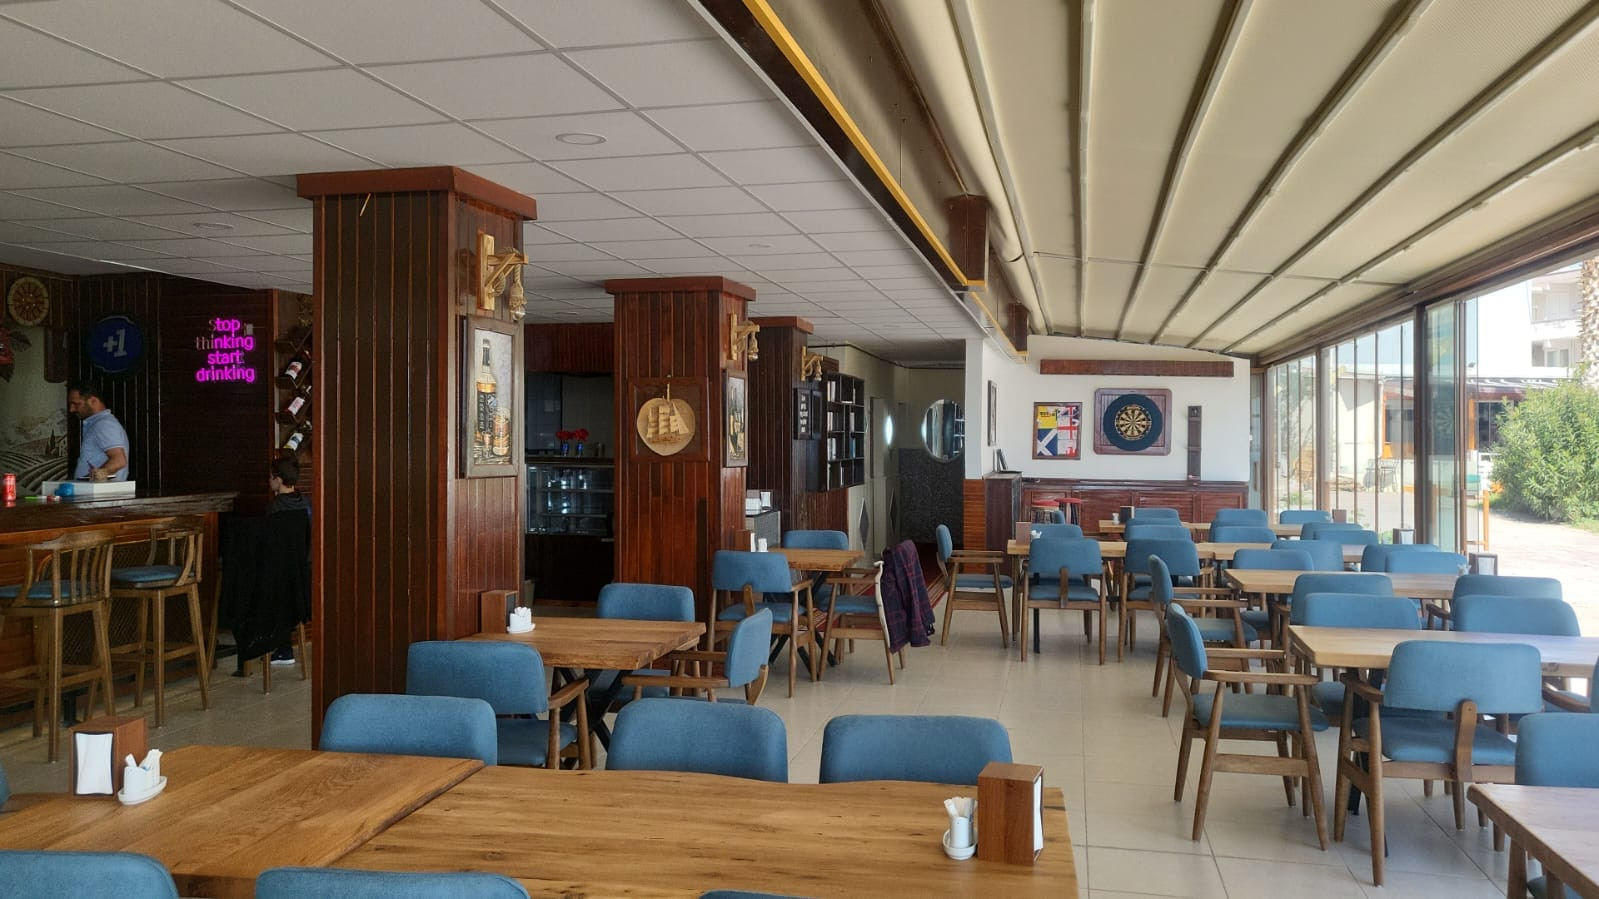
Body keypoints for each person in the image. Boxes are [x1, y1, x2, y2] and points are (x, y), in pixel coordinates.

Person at [67, 380, 129, 481]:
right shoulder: (100, 424)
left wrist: (94, 478)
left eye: (76, 404)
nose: (71, 409)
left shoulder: (103, 425)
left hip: (102, 490)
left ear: (93, 401)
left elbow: (119, 461)